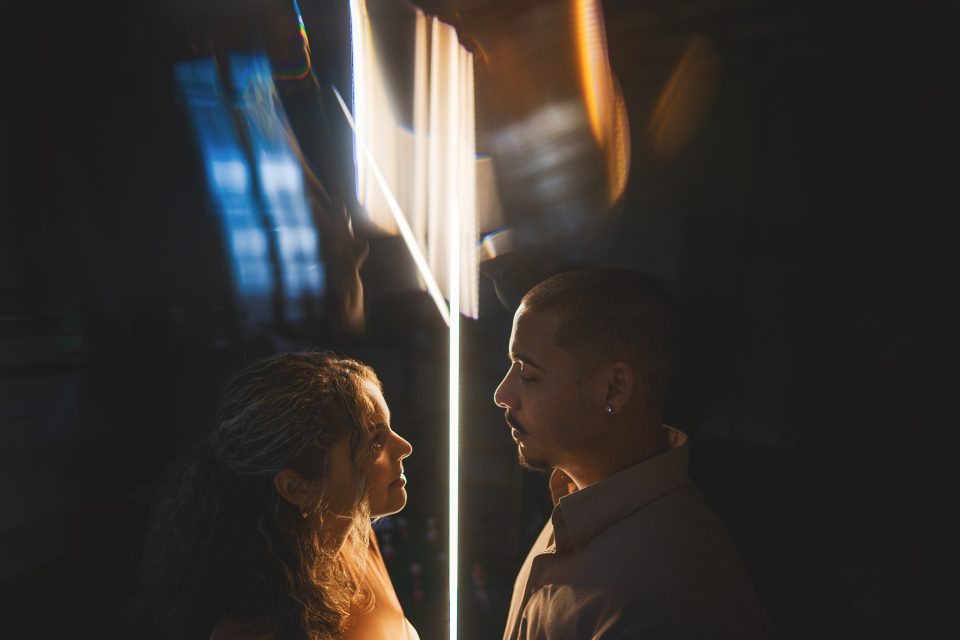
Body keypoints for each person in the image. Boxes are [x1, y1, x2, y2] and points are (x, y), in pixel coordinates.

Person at [493, 268, 778, 639]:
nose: (502, 394)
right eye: (511, 367)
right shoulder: (581, 496)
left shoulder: (670, 597)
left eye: (527, 374)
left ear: (614, 389)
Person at [143, 351, 419, 640]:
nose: (404, 447)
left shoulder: (353, 535)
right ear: (298, 488)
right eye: (374, 443)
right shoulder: (257, 631)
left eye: (389, 428)